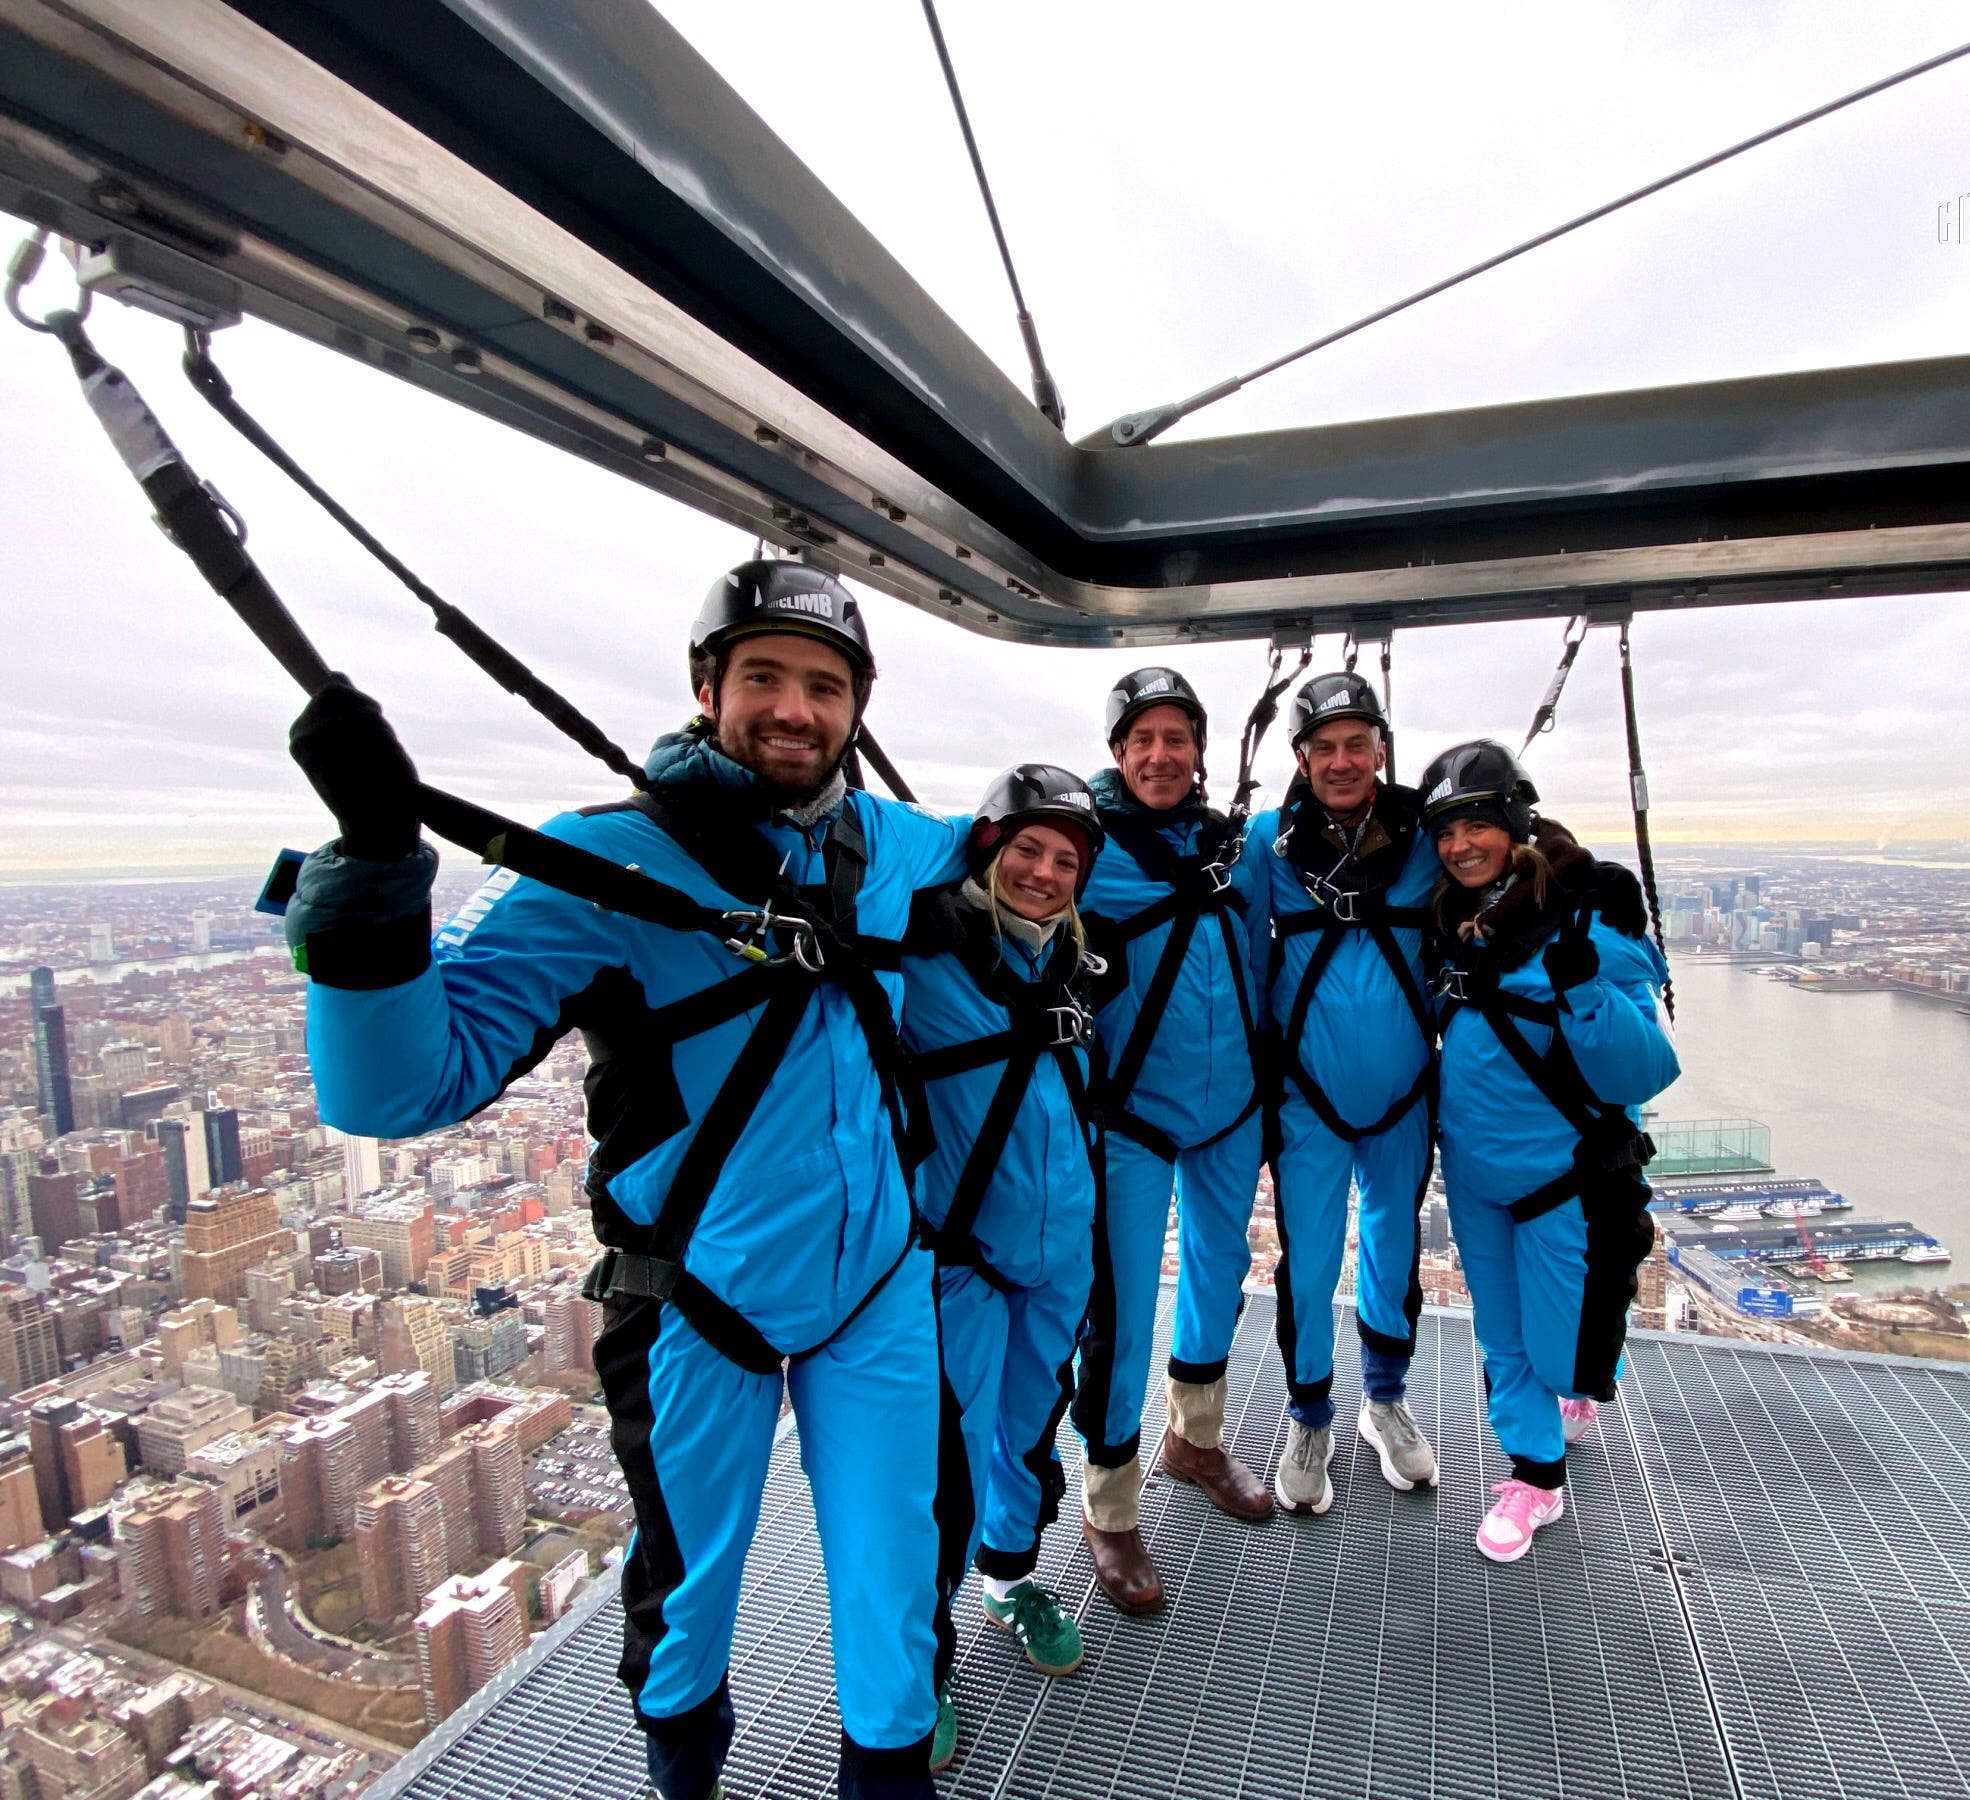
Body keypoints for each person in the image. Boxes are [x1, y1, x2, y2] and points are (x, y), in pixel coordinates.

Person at [281, 560, 968, 1800]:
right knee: (690, 1589)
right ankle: (684, 1774)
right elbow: (401, 1089)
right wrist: (374, 866)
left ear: (857, 708)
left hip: (878, 1288)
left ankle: (889, 1778)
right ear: (708, 689)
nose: (795, 709)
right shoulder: (603, 868)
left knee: (895, 1569)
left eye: (824, 686)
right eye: (764, 677)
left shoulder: (892, 846)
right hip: (698, 1298)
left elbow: (1033, 847)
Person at [1417, 740, 1679, 1564]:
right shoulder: (1449, 921)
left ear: (1513, 822)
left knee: (1565, 1356)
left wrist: (1583, 988)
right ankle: (1535, 1479)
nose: (1460, 844)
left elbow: (1644, 1069)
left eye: (1476, 824)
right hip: (1476, 1174)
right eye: (1446, 830)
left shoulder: (1589, 923)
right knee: (1503, 1337)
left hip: (1566, 1177)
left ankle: (1582, 1385)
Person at [900, 765, 1105, 1758]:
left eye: (1066, 860)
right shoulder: (924, 951)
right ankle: (920, 1654)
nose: (1043, 872)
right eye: (1026, 847)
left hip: (1058, 1255)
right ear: (984, 848)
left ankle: (1010, 1579)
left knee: (1026, 1434)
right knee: (943, 1461)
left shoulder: (1076, 965)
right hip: (961, 1258)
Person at [1071, 670, 1272, 1612]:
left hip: (1231, 1105)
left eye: (1176, 738)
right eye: (1141, 740)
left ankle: (1195, 1441)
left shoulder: (1236, 847)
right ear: (1117, 753)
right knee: (1119, 1313)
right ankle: (1110, 1504)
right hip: (1132, 1113)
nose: (1160, 756)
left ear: (1199, 751)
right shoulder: (1085, 846)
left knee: (1217, 1275)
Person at [1240, 670, 1442, 1513]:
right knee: (1312, 1260)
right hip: (1307, 1096)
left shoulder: (1426, 834)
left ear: (1381, 751)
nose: (1342, 760)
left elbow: (1498, 864)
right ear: (1301, 759)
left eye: (1357, 744)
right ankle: (1310, 1414)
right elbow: (1247, 957)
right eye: (1323, 747)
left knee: (1393, 1251)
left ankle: (1384, 1401)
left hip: (1405, 1094)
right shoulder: (1268, 842)